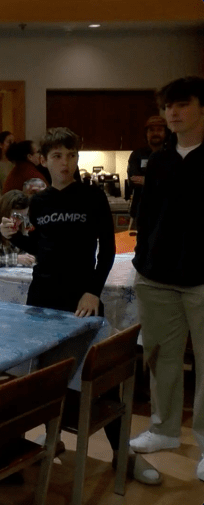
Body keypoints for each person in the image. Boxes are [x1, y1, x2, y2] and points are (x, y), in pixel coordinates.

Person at [0, 127, 161, 485]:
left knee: (99, 377)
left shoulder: (91, 197)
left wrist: (93, 290)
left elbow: (106, 250)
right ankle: (53, 437)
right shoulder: (39, 202)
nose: (65, 163)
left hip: (82, 299)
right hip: (42, 298)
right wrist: (16, 237)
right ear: (44, 160)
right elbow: (42, 249)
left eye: (71, 156)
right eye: (57, 156)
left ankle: (124, 454)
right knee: (43, 375)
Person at [128, 76, 204, 482]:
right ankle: (163, 429)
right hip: (156, 277)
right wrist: (143, 260)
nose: (172, 114)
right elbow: (148, 217)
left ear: (201, 107)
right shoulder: (158, 160)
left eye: (181, 105)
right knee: (161, 358)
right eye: (168, 107)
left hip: (201, 279)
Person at [126, 115, 168, 224]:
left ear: (165, 133)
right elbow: (133, 180)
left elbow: (174, 183)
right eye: (151, 130)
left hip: (166, 213)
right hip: (140, 212)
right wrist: (160, 182)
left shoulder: (172, 155)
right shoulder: (137, 155)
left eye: (159, 130)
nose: (155, 133)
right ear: (146, 133)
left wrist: (146, 180)